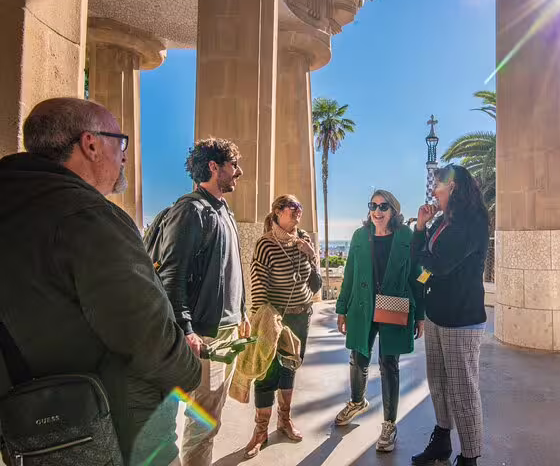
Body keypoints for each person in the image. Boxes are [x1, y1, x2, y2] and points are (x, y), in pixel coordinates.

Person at [0, 97, 201, 464]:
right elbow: (142, 331)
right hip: (116, 431)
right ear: (90, 144)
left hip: (33, 430)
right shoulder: (87, 215)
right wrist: (189, 371)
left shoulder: (16, 205)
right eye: (119, 142)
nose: (124, 156)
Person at [152, 138, 251, 466]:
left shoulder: (223, 210)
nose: (238, 172)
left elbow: (232, 267)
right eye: (233, 165)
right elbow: (172, 274)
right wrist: (187, 329)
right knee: (203, 418)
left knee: (210, 415)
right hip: (207, 336)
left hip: (227, 330)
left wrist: (243, 312)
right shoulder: (191, 209)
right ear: (213, 166)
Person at [334, 190, 425, 452]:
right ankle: (356, 401)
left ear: (393, 211)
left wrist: (420, 315)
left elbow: (416, 273)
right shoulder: (360, 236)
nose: (377, 211)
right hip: (363, 305)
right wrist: (342, 309)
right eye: (373, 205)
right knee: (358, 355)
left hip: (394, 305)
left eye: (383, 206)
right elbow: (350, 273)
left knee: (389, 363)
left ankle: (389, 423)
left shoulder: (405, 236)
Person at [411, 164, 489, 466]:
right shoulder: (443, 220)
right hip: (436, 314)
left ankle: (470, 457)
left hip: (462, 318)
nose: (433, 192)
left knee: (463, 391)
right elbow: (424, 259)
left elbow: (439, 265)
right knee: (439, 384)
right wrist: (421, 227)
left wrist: (425, 262)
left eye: (437, 187)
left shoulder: (474, 220)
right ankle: (441, 441)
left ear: (452, 187)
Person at [243, 194, 322, 458]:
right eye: (293, 207)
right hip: (275, 319)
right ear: (277, 212)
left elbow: (316, 286)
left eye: (300, 207)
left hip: (302, 317)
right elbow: (258, 286)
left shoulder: (305, 241)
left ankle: (284, 420)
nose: (298, 211)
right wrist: (264, 321)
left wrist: (311, 257)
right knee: (267, 372)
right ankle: (260, 430)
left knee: (290, 368)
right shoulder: (266, 244)